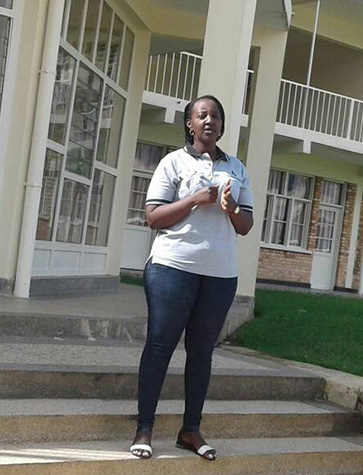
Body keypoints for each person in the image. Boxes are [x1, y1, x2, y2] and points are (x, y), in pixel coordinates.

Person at [130, 95, 254, 461]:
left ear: (222, 124)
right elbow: (153, 217)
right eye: (202, 115)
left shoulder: (237, 168)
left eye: (215, 115)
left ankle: (190, 430)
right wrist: (195, 199)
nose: (209, 120)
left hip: (219, 274)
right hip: (172, 267)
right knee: (160, 346)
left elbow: (245, 225)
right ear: (190, 123)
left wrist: (231, 209)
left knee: (201, 353)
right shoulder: (173, 162)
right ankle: (144, 427)